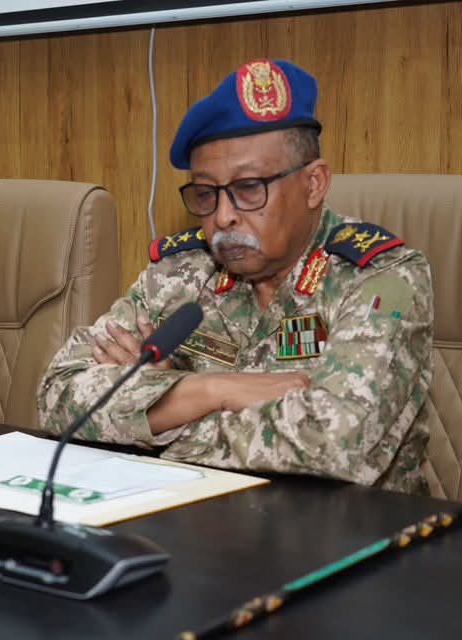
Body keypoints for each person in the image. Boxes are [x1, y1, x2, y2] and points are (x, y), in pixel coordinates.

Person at [37, 60, 432, 493]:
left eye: (248, 188)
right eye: (206, 193)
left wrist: (157, 412)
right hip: (194, 516)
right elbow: (59, 393)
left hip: (347, 527)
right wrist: (212, 389)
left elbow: (335, 443)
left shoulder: (381, 279)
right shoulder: (182, 273)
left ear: (314, 184)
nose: (223, 216)